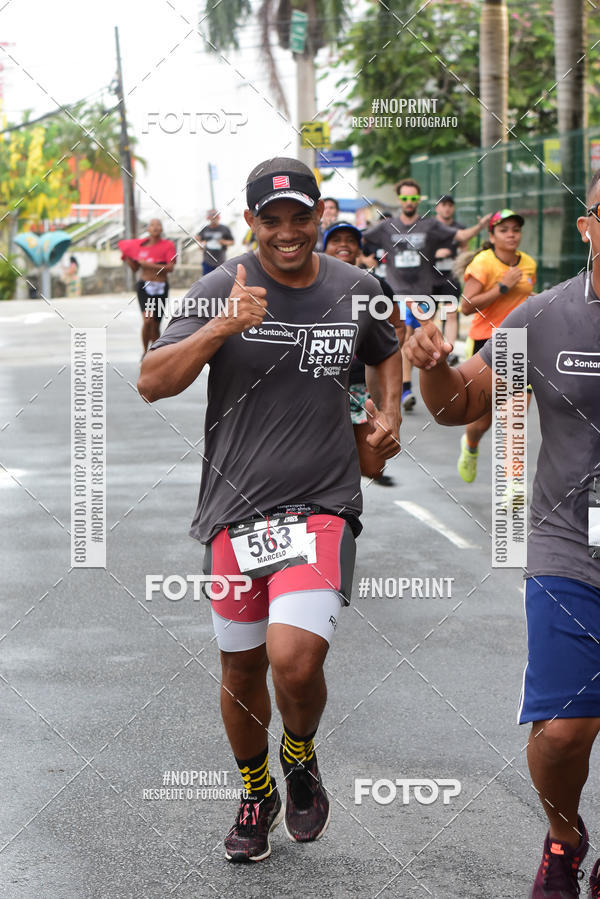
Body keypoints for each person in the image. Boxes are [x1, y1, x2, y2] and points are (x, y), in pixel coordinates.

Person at [138, 158, 402, 863]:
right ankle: (256, 788)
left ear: (320, 216)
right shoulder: (220, 288)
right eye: (271, 220)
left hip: (322, 503)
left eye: (300, 217)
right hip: (234, 510)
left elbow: (387, 348)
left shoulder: (358, 287)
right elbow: (152, 381)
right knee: (242, 668)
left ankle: (300, 751)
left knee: (294, 657)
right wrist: (218, 328)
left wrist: (385, 418)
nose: (287, 233)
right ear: (251, 222)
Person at [403, 169, 600, 898]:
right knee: (562, 733)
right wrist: (433, 368)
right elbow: (463, 403)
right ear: (587, 224)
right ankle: (565, 834)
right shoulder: (544, 319)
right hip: (568, 548)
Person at [364, 178, 491, 411]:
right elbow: (362, 238)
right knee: (403, 335)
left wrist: (480, 227)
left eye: (413, 198)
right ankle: (402, 391)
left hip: (423, 295)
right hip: (397, 295)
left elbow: (461, 237)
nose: (409, 202)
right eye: (405, 198)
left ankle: (407, 389)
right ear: (399, 199)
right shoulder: (386, 227)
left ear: (418, 200)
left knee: (415, 341)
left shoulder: (430, 226)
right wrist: (363, 259)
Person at [455, 209, 536, 484]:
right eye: (504, 230)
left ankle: (513, 484)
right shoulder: (483, 263)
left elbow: (524, 298)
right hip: (485, 343)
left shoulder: (529, 264)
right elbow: (465, 306)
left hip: (520, 343)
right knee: (482, 420)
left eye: (515, 229)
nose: (511, 234)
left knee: (514, 416)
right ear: (492, 235)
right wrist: (502, 287)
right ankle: (470, 444)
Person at [323, 220, 405, 486]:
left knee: (372, 465)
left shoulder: (375, 286)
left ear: (359, 248)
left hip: (360, 385)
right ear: (323, 248)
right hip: (318, 384)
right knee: (325, 461)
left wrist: (382, 357)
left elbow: (398, 326)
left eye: (350, 240)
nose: (344, 245)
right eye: (336, 240)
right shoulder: (308, 287)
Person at [120, 219, 177, 355]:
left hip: (161, 287)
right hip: (145, 286)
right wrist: (127, 258)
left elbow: (170, 268)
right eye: (152, 225)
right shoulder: (141, 246)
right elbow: (135, 268)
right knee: (148, 319)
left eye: (158, 224)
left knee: (156, 325)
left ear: (162, 229)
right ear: (148, 230)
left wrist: (149, 265)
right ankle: (145, 352)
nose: (155, 227)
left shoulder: (168, 245)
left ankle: (154, 354)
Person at [432, 195, 466, 364]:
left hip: (450, 278)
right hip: (429, 278)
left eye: (450, 205)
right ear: (437, 207)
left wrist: (461, 260)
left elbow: (464, 250)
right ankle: (429, 347)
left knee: (451, 314)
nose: (447, 208)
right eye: (443, 205)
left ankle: (449, 350)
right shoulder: (428, 227)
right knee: (426, 315)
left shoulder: (459, 229)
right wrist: (434, 255)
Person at [196, 209, 234, 275]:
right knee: (207, 282)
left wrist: (223, 242)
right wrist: (200, 243)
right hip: (207, 262)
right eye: (211, 216)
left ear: (218, 217)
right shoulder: (205, 229)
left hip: (220, 261)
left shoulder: (224, 229)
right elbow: (200, 244)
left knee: (220, 282)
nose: (213, 218)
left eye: (215, 216)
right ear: (208, 217)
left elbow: (232, 242)